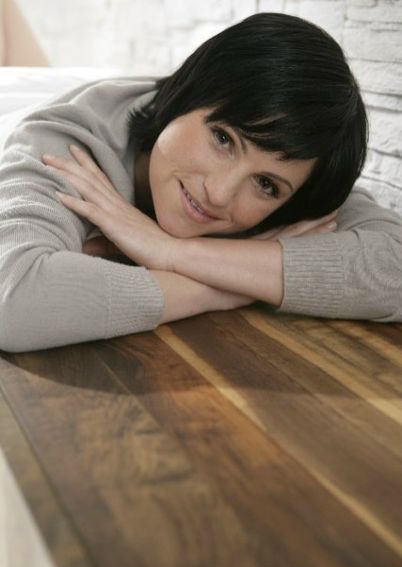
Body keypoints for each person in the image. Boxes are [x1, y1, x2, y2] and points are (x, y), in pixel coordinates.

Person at [0, 13, 401, 353]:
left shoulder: (301, 173)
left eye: (265, 184)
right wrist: (227, 288)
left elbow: (392, 268)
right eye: (224, 139)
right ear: (186, 96)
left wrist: (172, 252)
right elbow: (15, 304)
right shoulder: (64, 147)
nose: (219, 193)